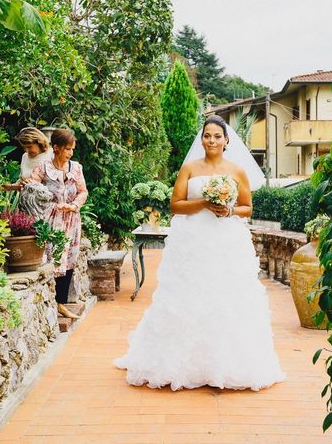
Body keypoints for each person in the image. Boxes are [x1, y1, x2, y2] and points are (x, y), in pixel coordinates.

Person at [115, 115, 285, 391]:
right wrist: (205, 202)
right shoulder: (190, 169)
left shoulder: (236, 171)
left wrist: (228, 209)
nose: (212, 140)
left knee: (224, 297)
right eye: (207, 135)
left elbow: (247, 208)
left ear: (227, 140)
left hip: (226, 244)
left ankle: (224, 363)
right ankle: (182, 362)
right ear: (202, 138)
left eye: (217, 136)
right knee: (188, 295)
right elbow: (176, 205)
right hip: (192, 243)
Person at [29, 129, 88, 320]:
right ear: (56, 148)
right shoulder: (43, 168)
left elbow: (83, 192)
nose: (71, 153)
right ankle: (50, 301)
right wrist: (48, 202)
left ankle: (61, 303)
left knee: (69, 257)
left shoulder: (76, 168)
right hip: (50, 220)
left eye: (72, 149)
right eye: (67, 149)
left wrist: (73, 205)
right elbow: (32, 187)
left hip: (71, 219)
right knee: (52, 257)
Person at [2, 127, 53, 191]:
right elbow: (22, 181)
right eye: (24, 147)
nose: (26, 150)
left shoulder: (52, 155)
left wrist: (36, 184)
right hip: (27, 198)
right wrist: (11, 187)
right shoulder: (25, 156)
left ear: (39, 142)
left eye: (29, 147)